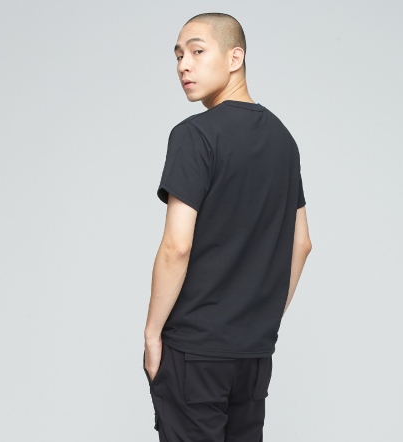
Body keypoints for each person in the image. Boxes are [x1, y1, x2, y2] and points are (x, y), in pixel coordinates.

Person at [143, 12, 312, 442]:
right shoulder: (283, 140)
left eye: (197, 51)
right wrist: (259, 320)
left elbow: (176, 247)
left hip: (195, 349)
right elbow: (302, 243)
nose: (183, 65)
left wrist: (152, 333)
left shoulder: (194, 136)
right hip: (253, 353)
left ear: (235, 58)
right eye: (178, 55)